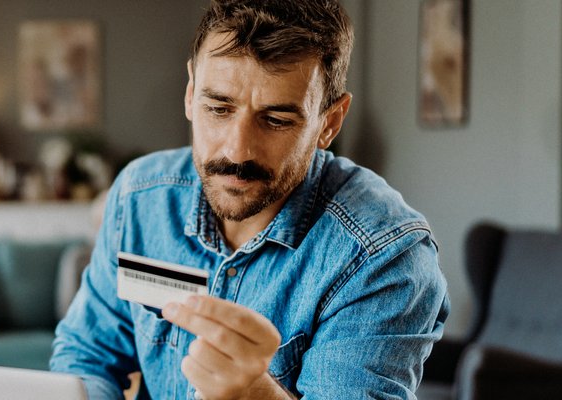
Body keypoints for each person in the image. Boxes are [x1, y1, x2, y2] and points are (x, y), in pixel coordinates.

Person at [49, 1, 449, 399]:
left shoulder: (384, 257)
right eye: (218, 108)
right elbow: (88, 356)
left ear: (329, 122)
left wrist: (253, 393)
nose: (237, 151)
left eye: (276, 120)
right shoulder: (140, 197)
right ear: (190, 94)